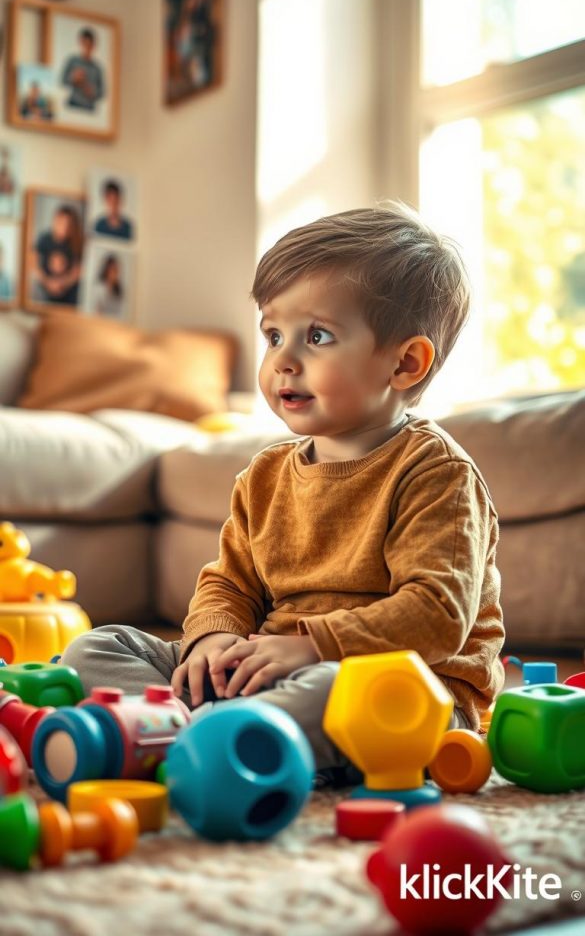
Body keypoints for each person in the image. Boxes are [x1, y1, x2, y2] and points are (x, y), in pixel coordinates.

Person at [62, 202, 505, 778]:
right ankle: (207, 735)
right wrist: (210, 645)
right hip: (267, 669)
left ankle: (176, 737)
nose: (282, 361)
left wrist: (310, 647)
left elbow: (436, 617)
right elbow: (229, 583)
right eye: (273, 334)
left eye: (317, 336)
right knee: (93, 649)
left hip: (397, 688)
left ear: (405, 363)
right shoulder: (265, 475)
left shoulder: (437, 474)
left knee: (326, 690)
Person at [32, 205, 83, 306]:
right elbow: (32, 263)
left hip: (69, 296)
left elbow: (79, 271)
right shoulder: (44, 238)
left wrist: (63, 283)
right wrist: (47, 282)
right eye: (61, 222)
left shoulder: (76, 242)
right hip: (44, 292)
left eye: (68, 224)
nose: (64, 227)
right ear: (55, 221)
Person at [61, 28, 104, 112]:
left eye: (89, 45)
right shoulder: (72, 61)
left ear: (93, 46)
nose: (86, 48)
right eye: (84, 44)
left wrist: (92, 91)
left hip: (89, 109)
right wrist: (73, 78)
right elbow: (62, 81)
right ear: (80, 43)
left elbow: (102, 92)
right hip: (73, 105)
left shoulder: (97, 68)